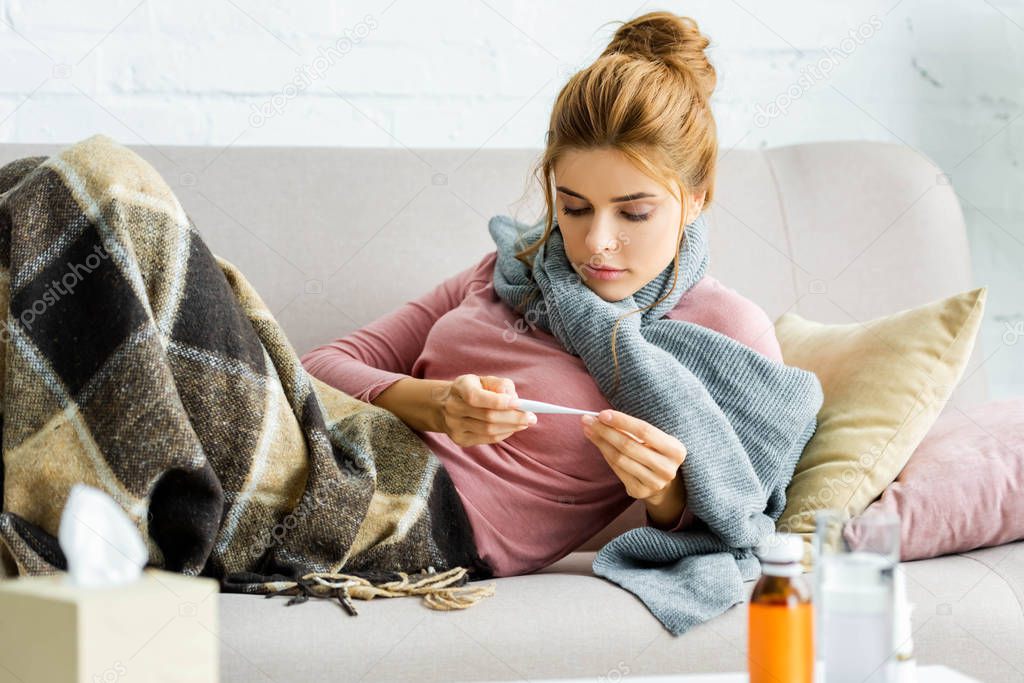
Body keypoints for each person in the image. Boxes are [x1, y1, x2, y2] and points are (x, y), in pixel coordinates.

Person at [301, 11, 783, 578]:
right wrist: (435, 404)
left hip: (425, 521)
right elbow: (315, 368)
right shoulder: (509, 269)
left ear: (698, 197)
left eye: (634, 212)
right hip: (331, 455)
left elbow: (741, 522)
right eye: (574, 208)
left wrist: (665, 494)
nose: (596, 243)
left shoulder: (728, 334)